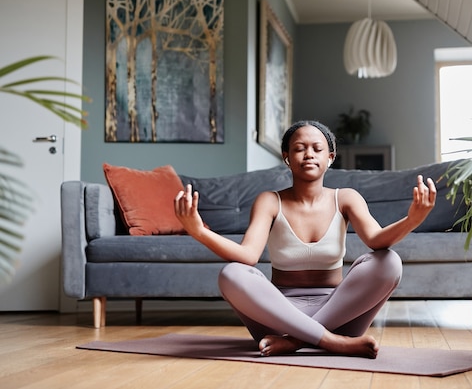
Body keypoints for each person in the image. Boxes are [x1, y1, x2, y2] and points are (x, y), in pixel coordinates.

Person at [174, 120, 437, 359]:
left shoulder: (346, 197)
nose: (309, 154)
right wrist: (199, 231)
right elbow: (248, 256)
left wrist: (413, 219)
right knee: (231, 273)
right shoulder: (269, 200)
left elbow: (377, 240)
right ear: (286, 157)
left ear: (330, 157)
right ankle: (331, 342)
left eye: (317, 148)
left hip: (339, 314)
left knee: (389, 261)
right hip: (279, 317)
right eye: (299, 148)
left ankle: (296, 342)